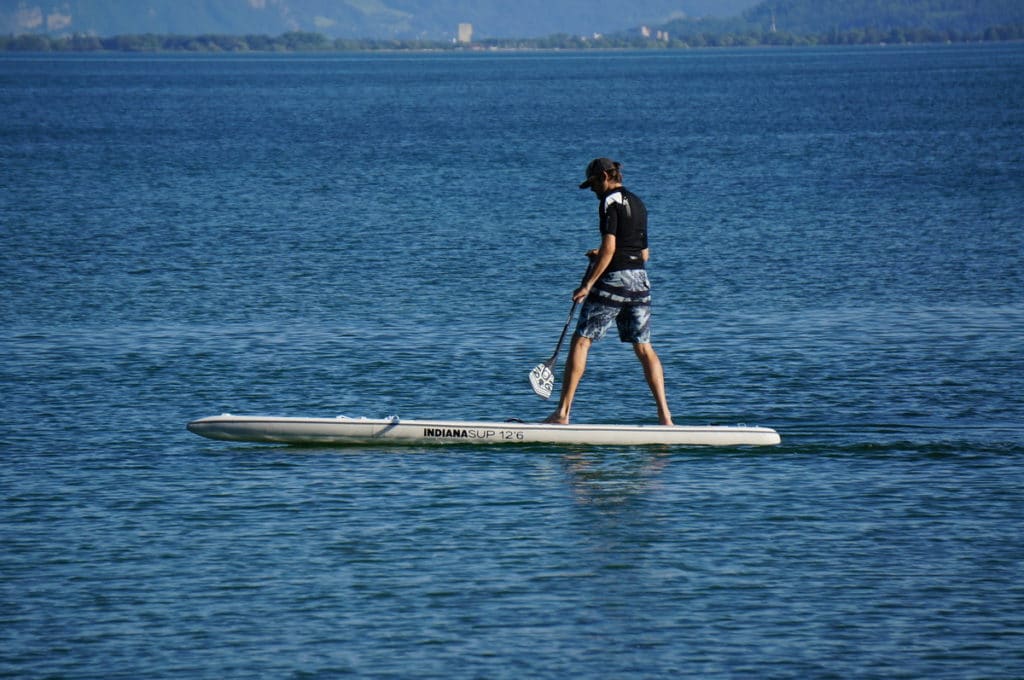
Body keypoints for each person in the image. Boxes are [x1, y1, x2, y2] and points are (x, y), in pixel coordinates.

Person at [545, 158, 674, 426]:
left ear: (605, 176)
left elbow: (611, 249)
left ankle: (562, 414)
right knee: (644, 348)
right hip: (640, 281)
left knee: (581, 341)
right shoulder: (639, 204)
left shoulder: (609, 202)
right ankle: (666, 418)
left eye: (593, 183)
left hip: (614, 281)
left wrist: (587, 285)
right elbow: (644, 254)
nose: (592, 190)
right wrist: (602, 253)